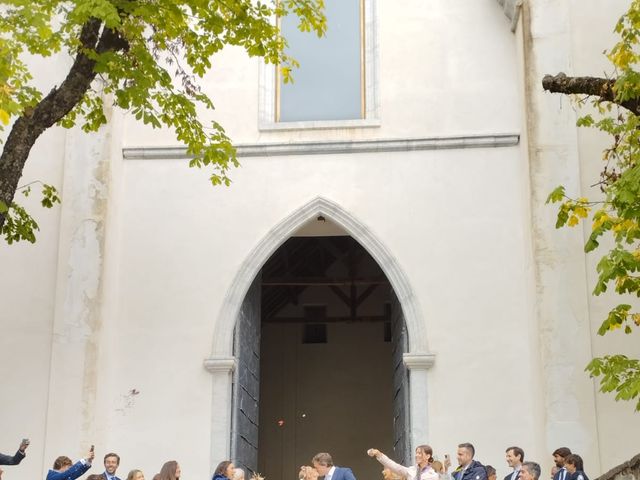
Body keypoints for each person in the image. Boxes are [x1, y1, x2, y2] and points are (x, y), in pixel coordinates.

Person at [368, 446, 438, 480]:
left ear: (428, 456)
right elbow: (394, 466)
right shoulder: (411, 470)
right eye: (416, 453)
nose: (417, 455)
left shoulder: (433, 476)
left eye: (419, 453)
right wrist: (379, 454)